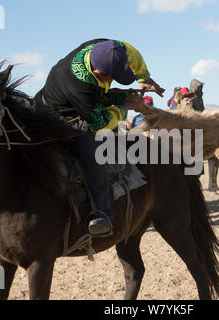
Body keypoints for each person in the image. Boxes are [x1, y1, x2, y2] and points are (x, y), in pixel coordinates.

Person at [35, 39, 165, 235]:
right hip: (59, 114)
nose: (113, 79)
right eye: (112, 76)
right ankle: (103, 213)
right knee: (92, 150)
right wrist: (124, 107)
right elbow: (100, 123)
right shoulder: (78, 87)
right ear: (98, 72)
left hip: (89, 95)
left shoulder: (106, 46)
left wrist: (143, 77)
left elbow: (131, 52)